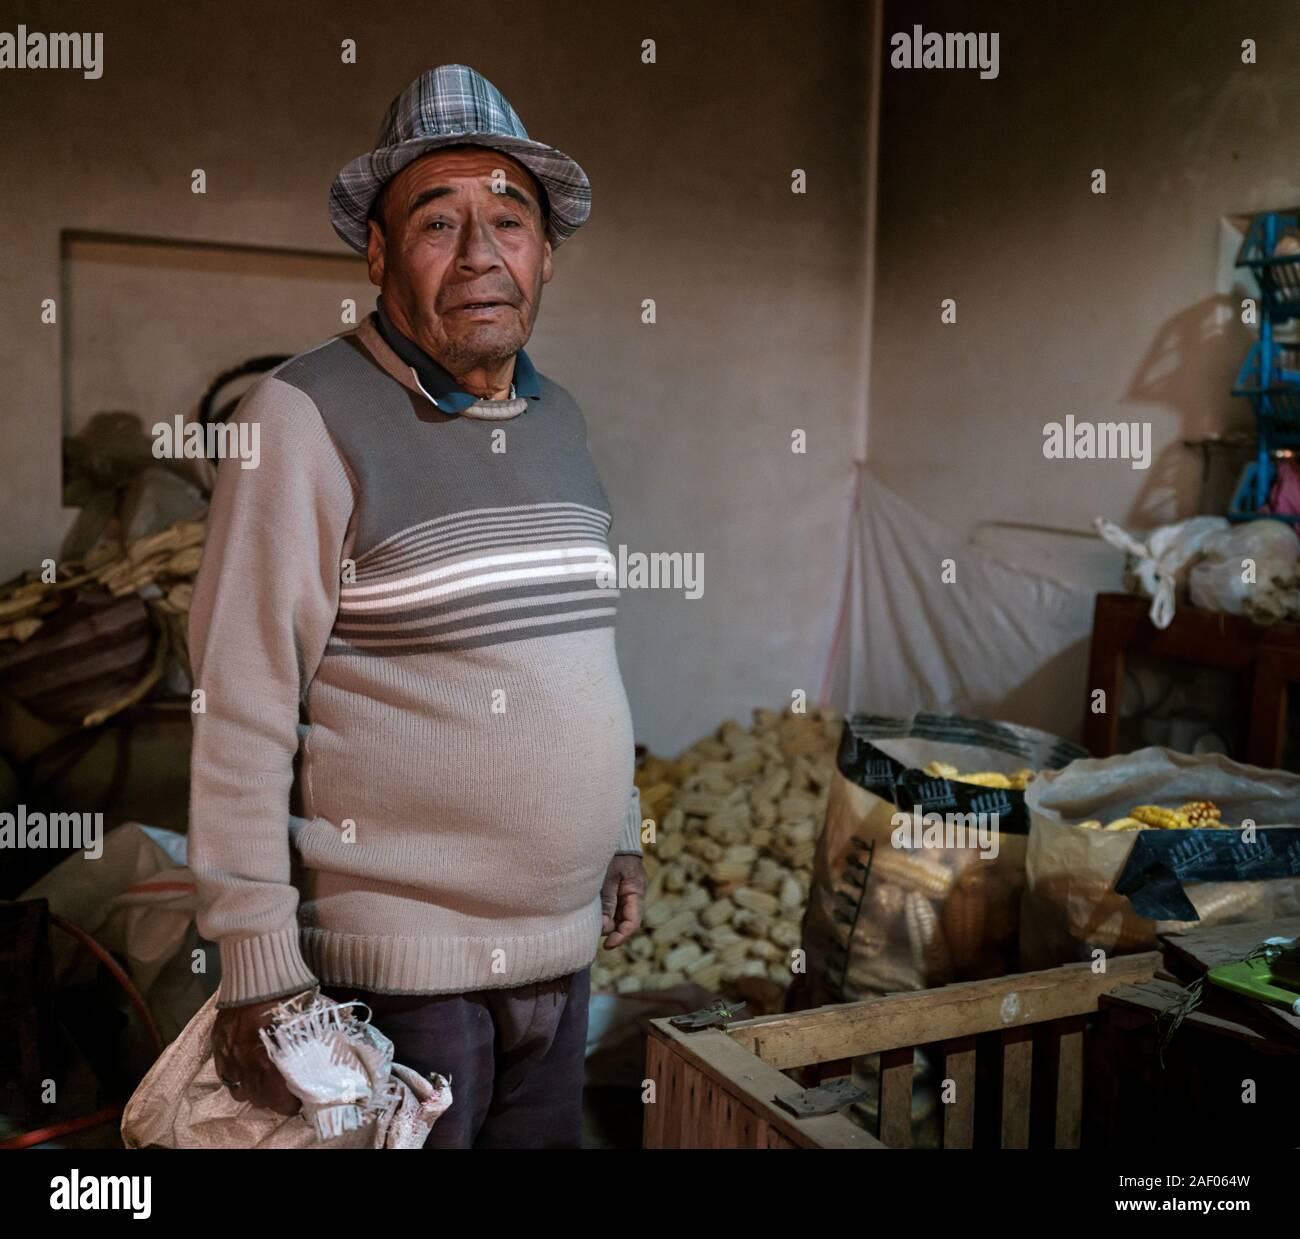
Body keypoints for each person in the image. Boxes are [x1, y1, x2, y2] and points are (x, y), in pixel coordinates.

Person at [188, 63, 645, 1149]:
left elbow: (580, 658)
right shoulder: (302, 415)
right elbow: (240, 702)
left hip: (562, 955)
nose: (480, 253)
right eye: (437, 223)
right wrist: (258, 963)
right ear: (380, 254)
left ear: (545, 251)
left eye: (508, 220)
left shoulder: (561, 418)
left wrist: (617, 833)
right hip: (403, 982)